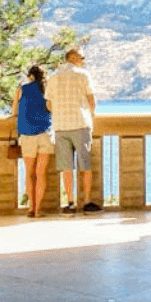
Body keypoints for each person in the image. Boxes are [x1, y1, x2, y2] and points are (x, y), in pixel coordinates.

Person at [44, 48, 101, 213]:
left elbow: (48, 104)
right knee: (85, 165)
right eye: (82, 58)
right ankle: (87, 201)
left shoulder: (54, 76)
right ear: (74, 58)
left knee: (66, 167)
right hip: (80, 123)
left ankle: (70, 202)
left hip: (61, 126)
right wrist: (92, 114)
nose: (83, 61)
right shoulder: (83, 75)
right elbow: (91, 99)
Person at [11, 65, 54, 217]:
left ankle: (30, 207)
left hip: (27, 135)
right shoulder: (47, 90)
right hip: (44, 134)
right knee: (41, 174)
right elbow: (51, 108)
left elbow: (14, 110)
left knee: (29, 174)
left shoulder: (22, 88)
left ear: (30, 76)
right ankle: (38, 210)